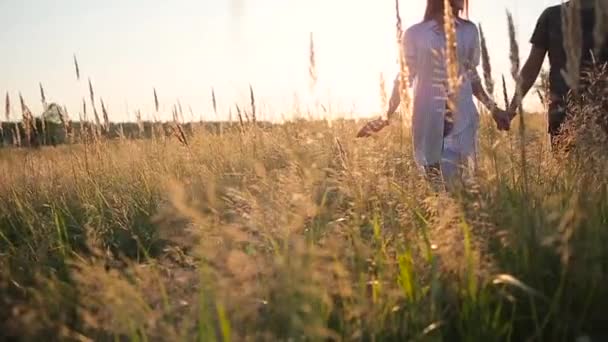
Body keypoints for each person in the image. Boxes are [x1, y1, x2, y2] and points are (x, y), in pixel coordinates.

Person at [358, 0, 510, 186]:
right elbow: (403, 78)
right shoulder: (415, 34)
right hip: (428, 119)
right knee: (437, 191)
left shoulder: (469, 31)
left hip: (463, 120)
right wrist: (385, 116)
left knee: (463, 188)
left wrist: (494, 110)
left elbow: (472, 76)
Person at [508, 0, 608, 150]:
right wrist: (512, 107)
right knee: (568, 173)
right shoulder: (551, 16)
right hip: (562, 119)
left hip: (602, 119)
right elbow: (531, 67)